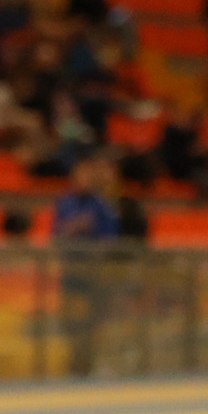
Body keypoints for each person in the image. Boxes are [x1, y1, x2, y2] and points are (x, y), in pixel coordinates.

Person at [51, 149, 124, 376]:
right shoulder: (65, 203)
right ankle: (75, 358)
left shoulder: (101, 205)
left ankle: (91, 359)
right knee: (71, 317)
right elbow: (56, 235)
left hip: (95, 273)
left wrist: (93, 234)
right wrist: (74, 227)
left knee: (96, 318)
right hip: (72, 271)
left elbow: (110, 238)